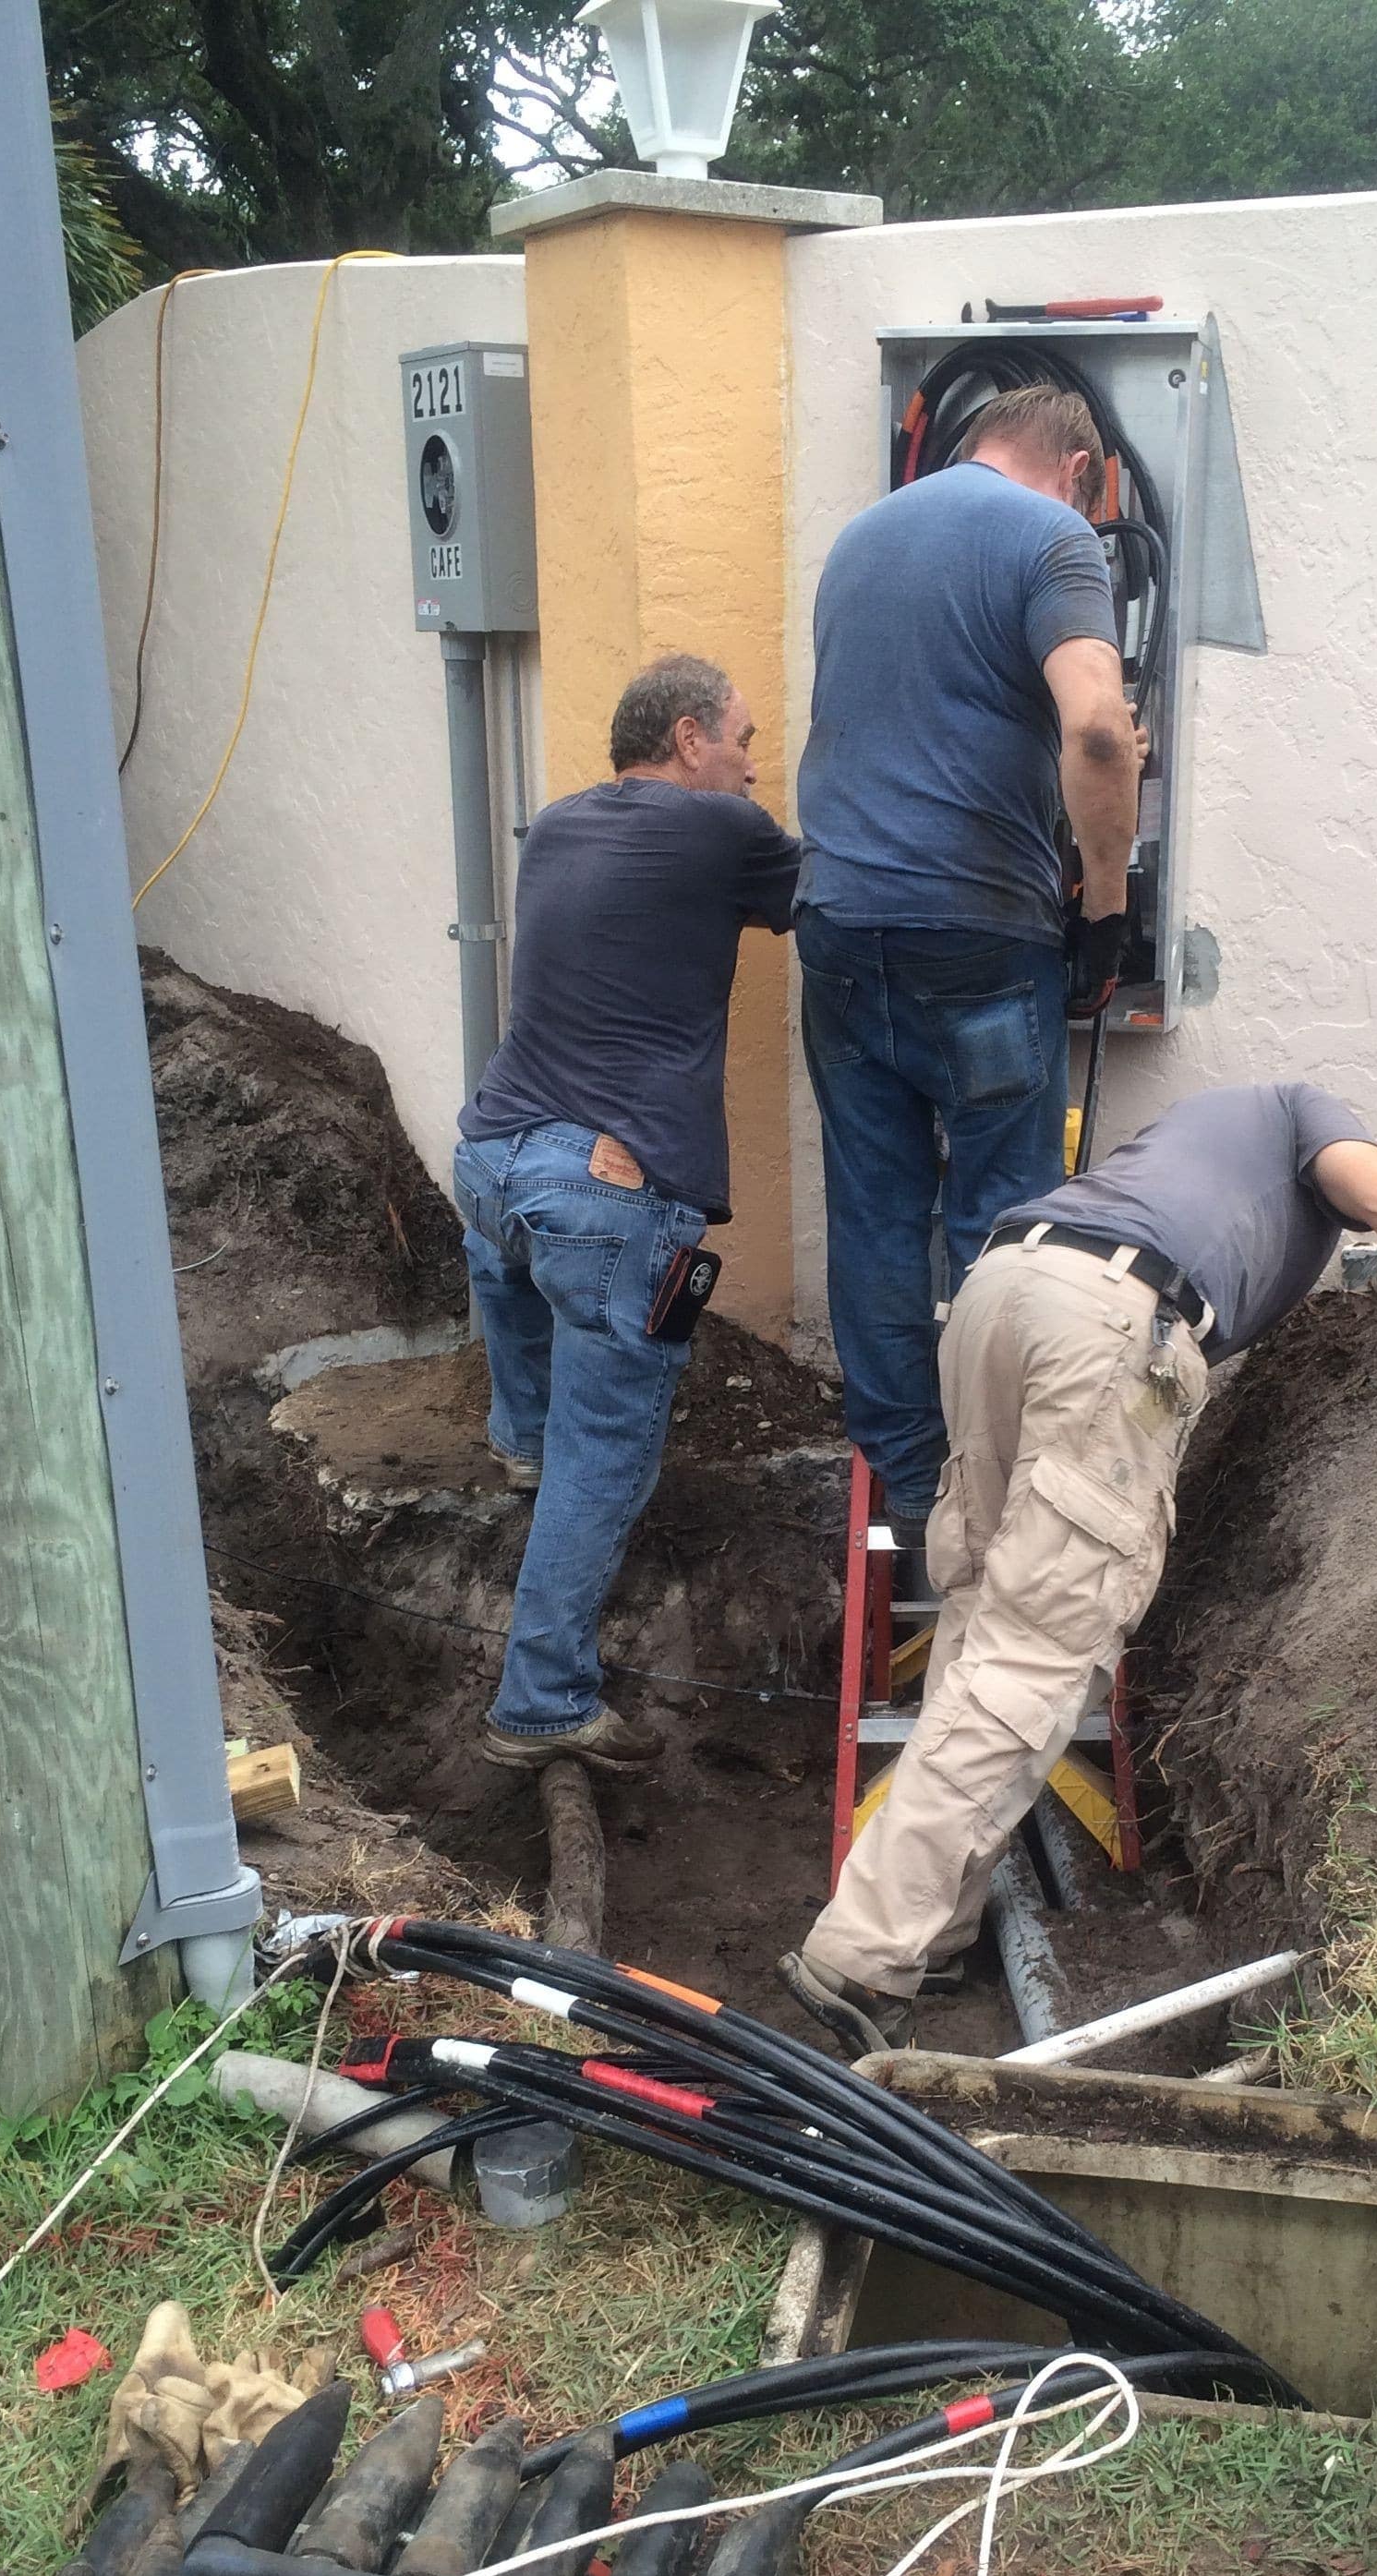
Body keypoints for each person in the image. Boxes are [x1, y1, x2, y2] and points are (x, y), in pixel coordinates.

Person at [777, 1082, 1377, 2047]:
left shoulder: (1194, 1138)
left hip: (1000, 1292)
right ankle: (859, 1957)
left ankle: (935, 1933)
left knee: (984, 1616)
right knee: (1037, 1651)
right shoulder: (1306, 1114)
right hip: (1107, 1322)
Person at [795, 382, 1141, 1546]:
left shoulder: (862, 536)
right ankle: (1002, 1487)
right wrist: (1104, 904)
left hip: (840, 927)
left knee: (876, 1209)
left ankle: (907, 1473)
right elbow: (1097, 729)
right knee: (1003, 1218)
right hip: (978, 939)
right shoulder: (1051, 536)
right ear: (1082, 472)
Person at [456, 653, 799, 1776]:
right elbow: (834, 888)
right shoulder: (721, 830)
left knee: (514, 1282)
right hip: (600, 1200)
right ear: (692, 737)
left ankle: (519, 1443)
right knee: (604, 1459)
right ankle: (543, 1698)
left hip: (493, 1161)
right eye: (744, 741)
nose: (754, 767)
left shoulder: (555, 825)